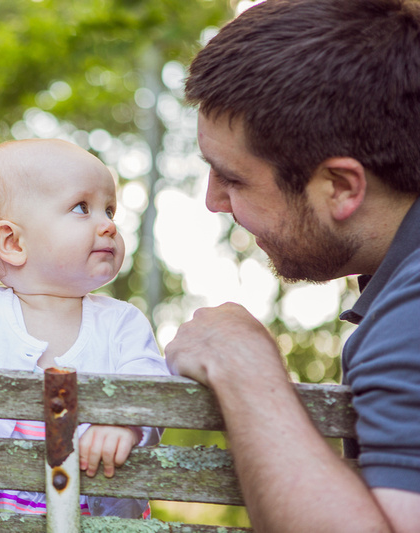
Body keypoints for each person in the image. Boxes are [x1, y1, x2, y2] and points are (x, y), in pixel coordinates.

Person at [163, 0, 420, 531]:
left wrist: (243, 368)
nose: (214, 201)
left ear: (341, 187)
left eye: (232, 178)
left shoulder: (410, 317)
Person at [0, 138, 169, 518]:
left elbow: (154, 388)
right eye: (82, 208)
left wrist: (123, 421)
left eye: (110, 210)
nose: (109, 225)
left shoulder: (122, 323)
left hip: (95, 517)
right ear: (13, 242)